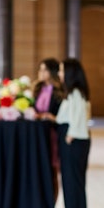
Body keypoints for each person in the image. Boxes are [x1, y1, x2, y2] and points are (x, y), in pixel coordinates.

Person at [54, 58, 91, 208]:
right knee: (71, 183)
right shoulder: (73, 92)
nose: (59, 74)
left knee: (73, 183)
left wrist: (69, 136)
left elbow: (78, 119)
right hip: (72, 140)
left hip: (73, 141)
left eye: (61, 71)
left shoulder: (76, 92)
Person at [33, 57, 65, 200]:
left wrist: (48, 116)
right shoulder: (37, 89)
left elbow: (60, 114)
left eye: (44, 69)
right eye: (40, 69)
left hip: (51, 134)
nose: (40, 72)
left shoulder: (59, 91)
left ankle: (52, 205)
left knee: (52, 170)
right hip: (37, 133)